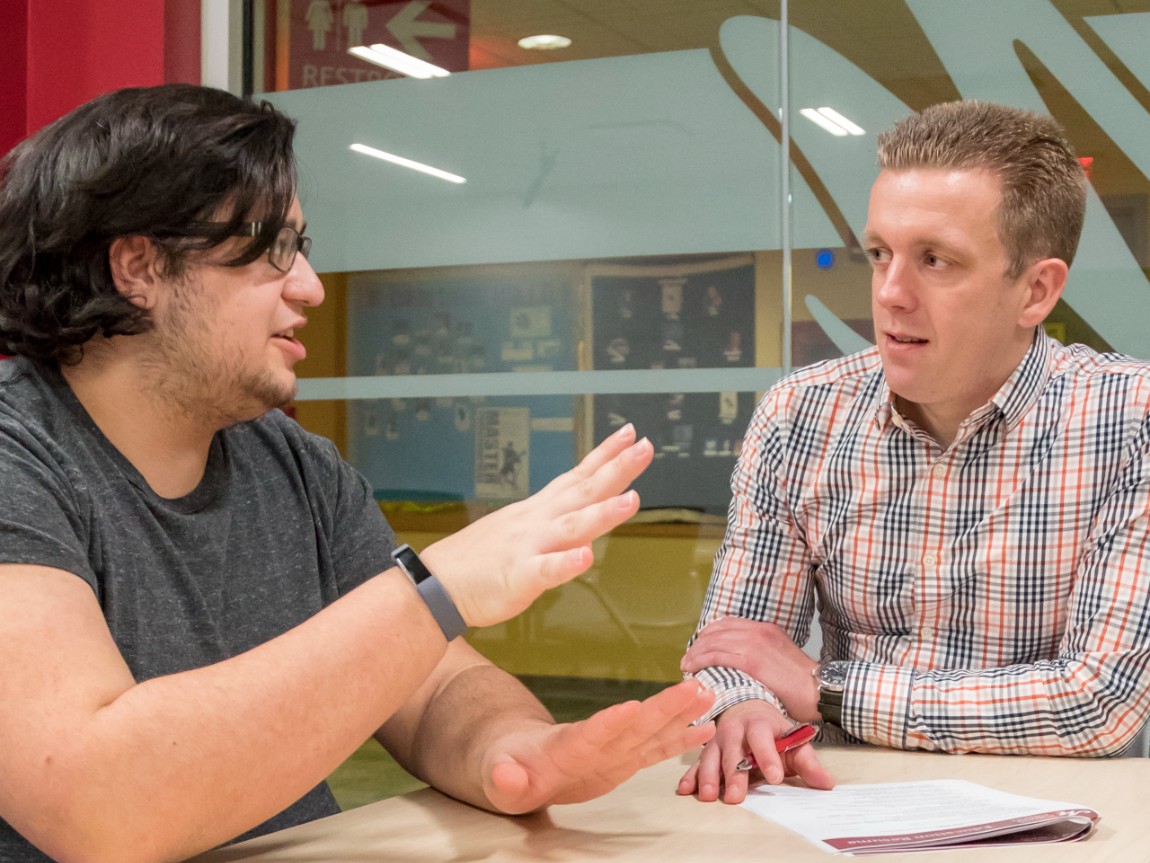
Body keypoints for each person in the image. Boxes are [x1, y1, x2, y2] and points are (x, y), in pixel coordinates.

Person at [0, 84, 716, 863]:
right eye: (273, 247)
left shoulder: (294, 463)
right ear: (140, 266)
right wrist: (437, 588)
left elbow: (429, 682)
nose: (309, 286)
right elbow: (101, 808)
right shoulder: (18, 456)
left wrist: (516, 751)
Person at [677, 100, 1150, 805]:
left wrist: (822, 689)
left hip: (1054, 822)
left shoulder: (1131, 420)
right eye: (880, 254)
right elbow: (732, 648)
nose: (891, 293)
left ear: (1036, 290)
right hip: (838, 806)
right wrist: (743, 705)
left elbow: (1098, 702)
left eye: (936, 260)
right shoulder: (800, 415)